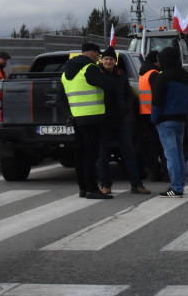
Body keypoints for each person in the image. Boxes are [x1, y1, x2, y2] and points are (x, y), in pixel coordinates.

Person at [61, 43, 112, 200]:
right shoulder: (89, 69)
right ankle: (92, 189)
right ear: (91, 53)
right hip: (92, 117)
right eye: (98, 54)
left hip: (77, 118)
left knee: (80, 154)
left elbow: (61, 98)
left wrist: (69, 114)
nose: (98, 58)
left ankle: (83, 188)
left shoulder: (66, 72)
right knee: (91, 155)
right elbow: (107, 84)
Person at [97, 48, 149, 195]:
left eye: (111, 59)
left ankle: (136, 184)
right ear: (102, 60)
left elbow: (128, 94)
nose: (108, 62)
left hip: (120, 120)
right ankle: (106, 185)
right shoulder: (96, 75)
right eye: (106, 59)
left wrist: (125, 109)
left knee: (129, 152)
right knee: (103, 155)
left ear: (115, 61)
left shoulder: (121, 75)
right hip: (103, 120)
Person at [152, 47, 188, 197]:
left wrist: (154, 119)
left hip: (165, 119)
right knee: (179, 152)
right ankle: (179, 184)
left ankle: (176, 187)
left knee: (171, 154)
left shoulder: (162, 77)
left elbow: (157, 101)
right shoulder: (187, 76)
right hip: (181, 118)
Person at [136, 50, 165, 183]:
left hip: (145, 113)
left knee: (151, 146)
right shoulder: (154, 74)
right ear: (156, 61)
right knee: (161, 145)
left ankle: (154, 173)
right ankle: (163, 173)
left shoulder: (143, 74)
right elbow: (159, 94)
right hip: (156, 113)